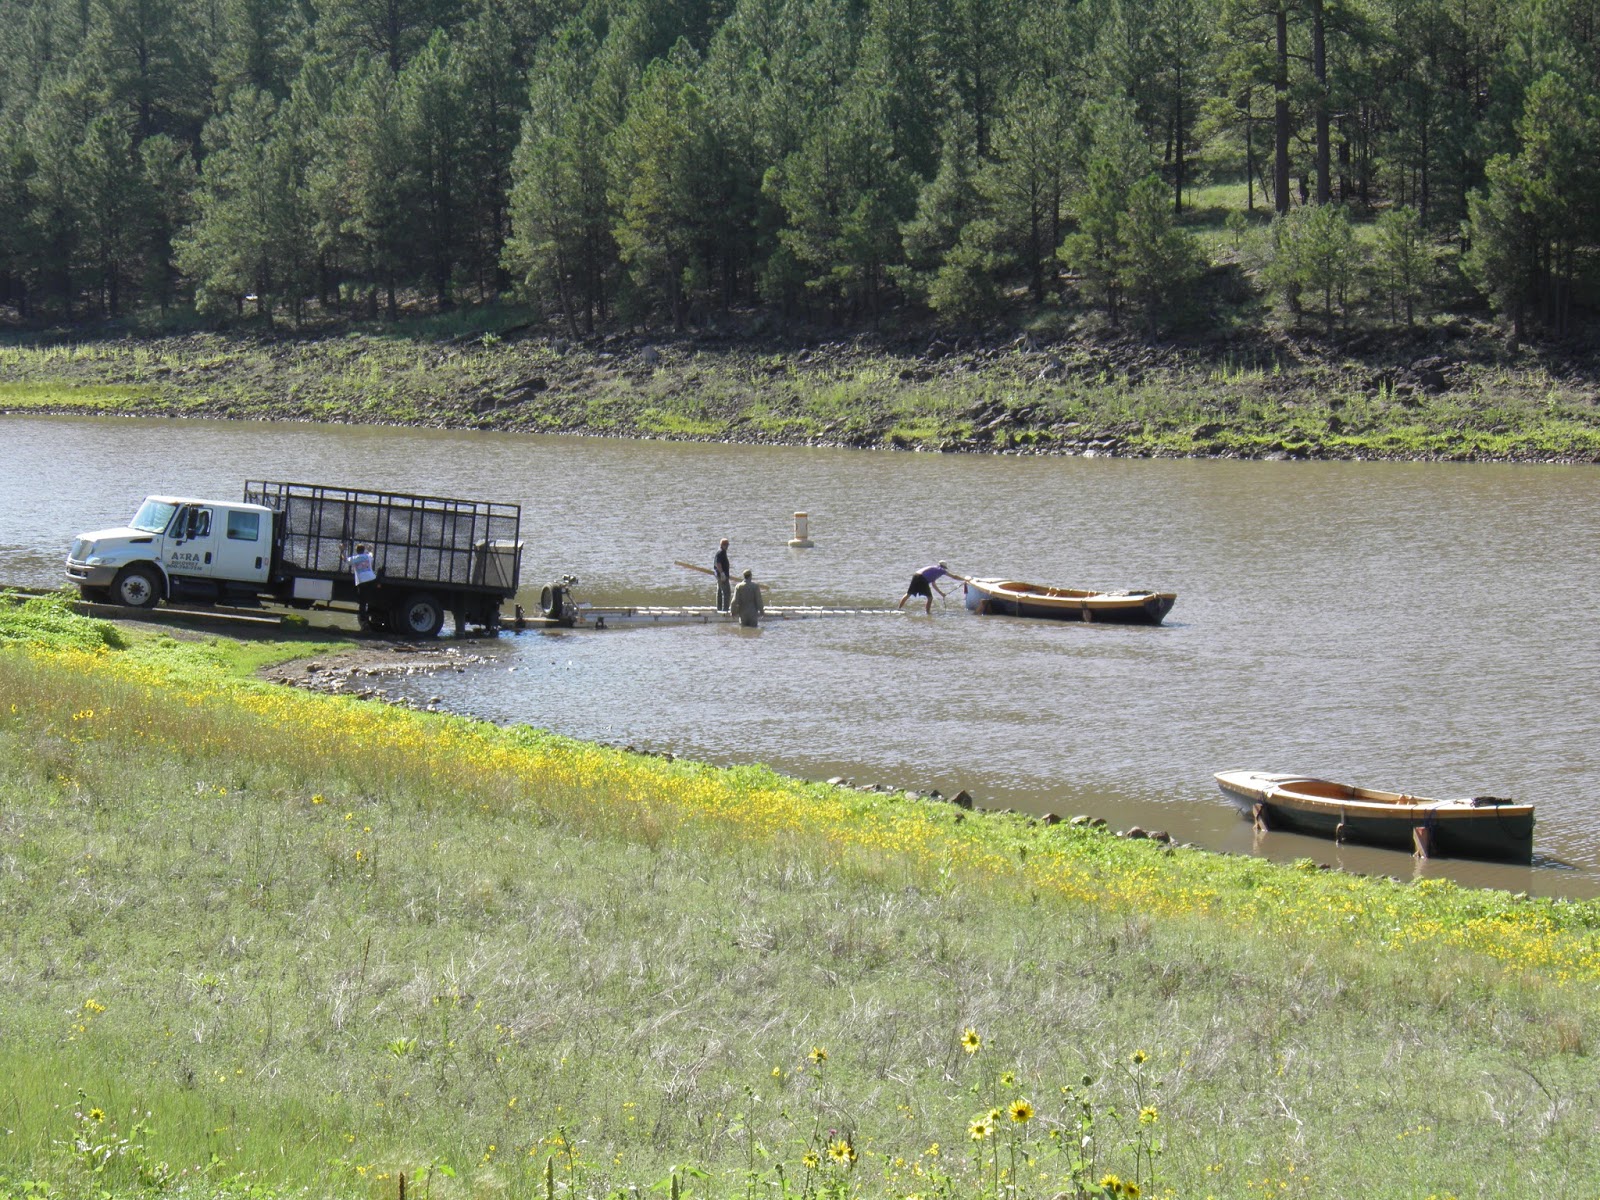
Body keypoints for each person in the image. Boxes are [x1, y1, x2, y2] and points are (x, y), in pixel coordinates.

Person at [345, 542, 376, 625]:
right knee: (368, 598)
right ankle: (369, 612)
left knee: (362, 600)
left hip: (362, 581)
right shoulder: (367, 556)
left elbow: (345, 559)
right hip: (372, 579)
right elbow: (371, 554)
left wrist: (342, 551)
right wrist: (370, 550)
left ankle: (363, 618)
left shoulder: (355, 558)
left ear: (356, 551)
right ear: (363, 550)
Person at [713, 537, 732, 612]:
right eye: (727, 545)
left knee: (720, 592)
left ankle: (719, 608)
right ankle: (725, 610)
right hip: (722, 576)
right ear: (724, 545)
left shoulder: (720, 552)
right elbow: (718, 564)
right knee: (726, 592)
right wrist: (722, 573)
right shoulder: (721, 552)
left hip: (719, 575)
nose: (728, 547)